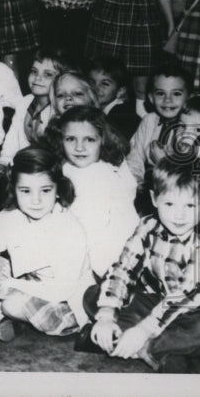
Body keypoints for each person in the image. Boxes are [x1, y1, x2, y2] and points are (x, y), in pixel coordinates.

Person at [85, 157, 200, 373]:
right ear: (154, 199)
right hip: (160, 303)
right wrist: (107, 314)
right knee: (94, 295)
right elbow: (123, 269)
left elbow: (187, 294)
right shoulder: (148, 226)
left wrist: (143, 330)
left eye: (190, 205)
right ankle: (163, 355)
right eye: (169, 204)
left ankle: (138, 346)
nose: (179, 215)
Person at [0, 146, 94, 341]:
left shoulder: (69, 228)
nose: (36, 200)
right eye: (25, 191)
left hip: (65, 299)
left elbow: (63, 289)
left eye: (45, 190)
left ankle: (1, 310)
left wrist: (10, 284)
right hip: (28, 282)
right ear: (14, 191)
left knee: (12, 304)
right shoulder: (9, 217)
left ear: (58, 190)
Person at [55, 106, 139, 277]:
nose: (79, 147)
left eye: (89, 140)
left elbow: (94, 228)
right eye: (71, 139)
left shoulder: (103, 175)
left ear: (103, 140)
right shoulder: (66, 168)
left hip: (102, 258)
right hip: (75, 244)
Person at [0, 47, 71, 166]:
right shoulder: (25, 102)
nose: (37, 78)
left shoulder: (58, 111)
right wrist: (3, 162)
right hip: (20, 165)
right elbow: (11, 141)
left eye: (48, 74)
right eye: (34, 71)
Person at [126, 65, 191, 188]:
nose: (167, 100)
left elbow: (190, 170)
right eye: (160, 93)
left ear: (188, 97)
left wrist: (163, 162)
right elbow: (135, 157)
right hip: (148, 185)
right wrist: (135, 184)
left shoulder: (191, 127)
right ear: (151, 97)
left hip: (179, 187)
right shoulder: (149, 120)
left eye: (176, 94)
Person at [87, 56, 141, 142]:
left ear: (120, 91)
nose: (95, 88)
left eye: (105, 84)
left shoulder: (123, 114)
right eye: (91, 82)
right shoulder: (95, 108)